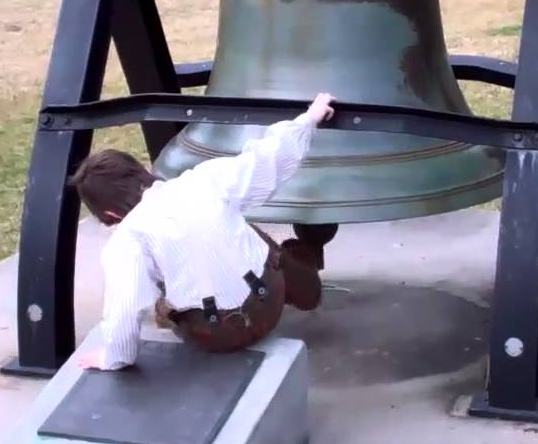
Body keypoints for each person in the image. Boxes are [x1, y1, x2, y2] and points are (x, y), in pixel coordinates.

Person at [67, 93, 338, 371]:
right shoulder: (205, 180)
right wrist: (308, 120)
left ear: (111, 216)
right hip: (268, 303)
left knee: (158, 288)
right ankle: (306, 284)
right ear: (143, 172)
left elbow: (123, 310)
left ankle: (178, 304)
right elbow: (267, 159)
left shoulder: (126, 241)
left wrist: (114, 357)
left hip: (212, 335)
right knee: (248, 234)